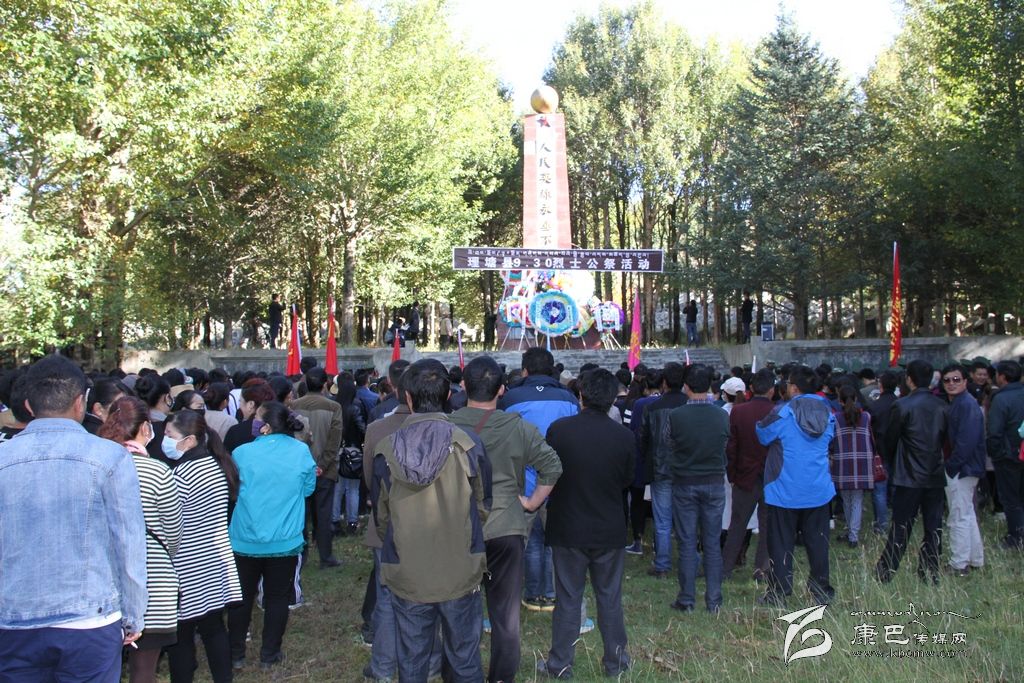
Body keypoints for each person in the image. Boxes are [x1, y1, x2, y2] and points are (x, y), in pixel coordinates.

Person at [0, 355, 147, 682]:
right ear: (81, 402)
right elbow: (129, 542)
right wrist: (134, 614)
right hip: (90, 619)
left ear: (28, 404)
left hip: (14, 619)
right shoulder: (110, 456)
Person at [371, 359, 490, 682]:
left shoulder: (386, 449)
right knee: (465, 659)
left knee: (412, 661)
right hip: (460, 566)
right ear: (448, 395)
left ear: (407, 397)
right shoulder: (468, 444)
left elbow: (381, 517)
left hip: (408, 570)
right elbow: (483, 505)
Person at [451, 356, 563, 683]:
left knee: (459, 609)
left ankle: (461, 673)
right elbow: (552, 466)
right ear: (502, 389)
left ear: (463, 385)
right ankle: (501, 677)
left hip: (459, 526)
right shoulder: (518, 427)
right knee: (505, 615)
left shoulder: (447, 426)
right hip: (506, 525)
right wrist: (532, 502)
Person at [539, 368, 633, 679]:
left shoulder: (560, 431)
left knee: (568, 598)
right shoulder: (623, 436)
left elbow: (549, 472)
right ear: (612, 398)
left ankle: (560, 663)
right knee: (609, 597)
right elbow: (627, 479)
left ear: (581, 395)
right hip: (608, 526)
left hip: (568, 526)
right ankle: (616, 662)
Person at [99, 396, 183, 683]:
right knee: (144, 669)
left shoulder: (98, 467)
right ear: (146, 428)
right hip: (154, 582)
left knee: (100, 668)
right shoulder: (158, 471)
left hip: (104, 581)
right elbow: (173, 532)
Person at [228, 401, 315, 671]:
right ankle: (269, 653)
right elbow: (308, 488)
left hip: (245, 538)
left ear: (265, 426)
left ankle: (235, 653)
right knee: (277, 598)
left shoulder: (242, 453)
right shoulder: (301, 451)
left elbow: (232, 489)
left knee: (242, 597)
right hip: (284, 539)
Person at [161, 410, 242, 683]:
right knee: (213, 628)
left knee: (181, 637)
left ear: (190, 440)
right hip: (212, 559)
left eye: (169, 435)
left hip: (185, 563)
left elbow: (168, 520)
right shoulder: (215, 465)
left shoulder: (180, 476)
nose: (165, 439)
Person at [499, 347, 579, 612]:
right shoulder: (568, 397)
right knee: (554, 541)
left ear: (525, 371)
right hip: (558, 482)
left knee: (527, 541)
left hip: (522, 482)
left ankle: (531, 593)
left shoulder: (510, 398)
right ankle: (552, 593)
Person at [756, 365, 837, 606]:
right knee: (818, 544)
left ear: (793, 388)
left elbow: (762, 434)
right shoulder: (829, 413)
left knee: (781, 545)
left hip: (784, 489)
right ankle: (821, 591)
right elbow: (831, 440)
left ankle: (779, 592)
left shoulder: (782, 413)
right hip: (818, 489)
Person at [875, 359, 949, 584]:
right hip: (934, 473)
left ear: (909, 379)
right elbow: (946, 440)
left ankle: (886, 570)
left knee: (901, 526)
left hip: (908, 474)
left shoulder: (903, 405)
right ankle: (930, 571)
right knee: (933, 526)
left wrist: (891, 460)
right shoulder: (942, 406)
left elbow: (890, 439)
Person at [666, 365, 729, 613]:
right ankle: (714, 600)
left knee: (687, 542)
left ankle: (687, 598)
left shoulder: (676, 416)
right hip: (714, 482)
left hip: (685, 482)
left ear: (686, 386)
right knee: (712, 542)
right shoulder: (721, 415)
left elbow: (668, 444)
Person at [722, 368, 775, 581]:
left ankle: (725, 568)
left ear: (751, 388)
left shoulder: (738, 412)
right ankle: (761, 568)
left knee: (737, 524)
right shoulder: (778, 412)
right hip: (771, 476)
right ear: (772, 390)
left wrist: (732, 475)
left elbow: (731, 448)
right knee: (767, 525)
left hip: (744, 475)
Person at [291, 367, 345, 568]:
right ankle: (326, 555)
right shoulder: (333, 407)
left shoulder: (294, 406)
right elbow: (334, 440)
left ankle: (301, 554)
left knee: (300, 514)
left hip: (299, 469)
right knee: (323, 513)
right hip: (325, 469)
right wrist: (322, 465)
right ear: (325, 384)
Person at [639, 363, 687, 578]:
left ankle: (662, 564)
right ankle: (688, 560)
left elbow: (643, 439)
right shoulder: (689, 405)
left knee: (662, 520)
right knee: (686, 518)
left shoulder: (653, 407)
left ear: (664, 382)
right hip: (685, 469)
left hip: (660, 468)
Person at [941, 364, 986, 575]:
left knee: (958, 516)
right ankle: (975, 559)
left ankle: (959, 564)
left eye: (956, 379)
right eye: (947, 380)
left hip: (962, 468)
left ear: (965, 381)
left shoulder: (966, 404)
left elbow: (966, 442)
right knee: (966, 513)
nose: (951, 383)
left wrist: (952, 466)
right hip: (965, 467)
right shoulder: (961, 403)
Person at [830, 384, 875, 549]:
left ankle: (851, 532)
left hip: (842, 461)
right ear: (856, 399)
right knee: (857, 499)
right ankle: (853, 535)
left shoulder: (835, 418)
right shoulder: (866, 417)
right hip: (862, 461)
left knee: (846, 498)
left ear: (840, 401)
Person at [986, 360, 1024, 549]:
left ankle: (1016, 537)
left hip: (1008, 456)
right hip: (1017, 451)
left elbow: (994, 431)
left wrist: (997, 453)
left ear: (1002, 376)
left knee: (1011, 498)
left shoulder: (1001, 399)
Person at [333, 373, 366, 536]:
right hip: (354, 451)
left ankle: (334, 520)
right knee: (353, 489)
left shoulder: (334, 405)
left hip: (336, 450)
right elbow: (363, 429)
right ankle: (352, 521)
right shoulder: (355, 407)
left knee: (337, 488)